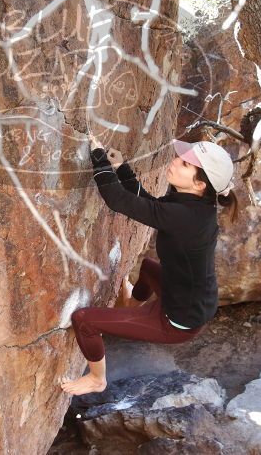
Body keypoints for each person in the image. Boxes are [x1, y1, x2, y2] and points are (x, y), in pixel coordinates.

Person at [59, 136, 239, 395]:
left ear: (200, 184)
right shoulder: (192, 203)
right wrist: (121, 168)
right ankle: (133, 303)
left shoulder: (186, 217)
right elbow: (149, 204)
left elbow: (118, 201)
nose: (175, 162)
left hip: (176, 321)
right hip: (189, 299)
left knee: (84, 320)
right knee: (148, 267)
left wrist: (97, 157)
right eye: (181, 158)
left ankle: (97, 379)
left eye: (185, 165)